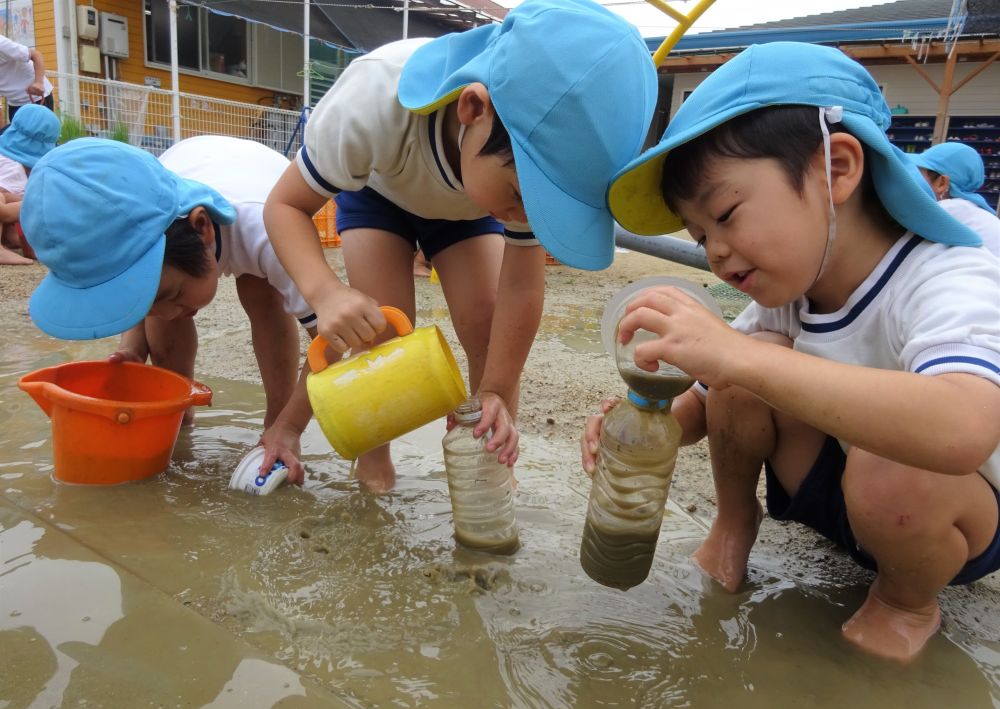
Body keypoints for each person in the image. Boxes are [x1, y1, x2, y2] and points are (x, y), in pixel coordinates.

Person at [583, 42, 1000, 662]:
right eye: (700, 236)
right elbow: (707, 404)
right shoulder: (790, 281)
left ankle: (905, 599)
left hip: (938, 513)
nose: (716, 252)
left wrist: (738, 356)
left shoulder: (946, 270)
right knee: (740, 373)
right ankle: (733, 523)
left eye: (726, 215)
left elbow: (964, 427)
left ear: (836, 168)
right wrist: (640, 421)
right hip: (836, 495)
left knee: (881, 459)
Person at [264, 0, 657, 493]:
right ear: (473, 109)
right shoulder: (373, 97)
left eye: (546, 209)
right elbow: (284, 207)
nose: (529, 219)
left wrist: (494, 387)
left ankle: (491, 475)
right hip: (380, 193)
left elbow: (520, 292)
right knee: (381, 331)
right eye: (523, 196)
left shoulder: (524, 180)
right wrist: (324, 292)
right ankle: (374, 471)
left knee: (490, 326)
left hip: (469, 207)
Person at [21, 136, 316, 484]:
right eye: (144, 301)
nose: (164, 312)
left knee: (260, 293)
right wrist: (131, 348)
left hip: (262, 188)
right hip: (180, 175)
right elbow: (141, 292)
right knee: (162, 313)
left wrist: (291, 423)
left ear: (202, 227)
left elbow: (332, 338)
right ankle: (178, 418)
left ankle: (275, 425)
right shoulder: (142, 226)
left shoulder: (269, 229)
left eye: (171, 292)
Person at [909, 142, 1000, 254]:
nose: (911, 179)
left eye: (917, 174)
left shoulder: (948, 210)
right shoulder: (972, 210)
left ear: (941, 183)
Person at [0, 103, 59, 265]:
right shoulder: (13, 167)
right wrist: (34, 205)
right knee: (25, 202)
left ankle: (8, 239)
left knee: (17, 199)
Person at [0, 34, 54, 121]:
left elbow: (36, 55)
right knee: (17, 134)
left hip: (36, 98)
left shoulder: (2, 44)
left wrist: (39, 83)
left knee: (41, 134)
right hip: (14, 103)